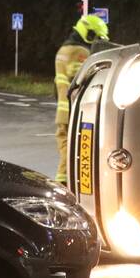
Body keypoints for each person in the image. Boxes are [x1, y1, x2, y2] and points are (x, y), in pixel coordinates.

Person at [55, 14, 109, 183]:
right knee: (72, 154)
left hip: (63, 111)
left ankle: (63, 185)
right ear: (90, 34)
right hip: (74, 111)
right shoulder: (80, 52)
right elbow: (82, 80)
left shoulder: (63, 50)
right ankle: (64, 188)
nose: (96, 43)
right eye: (97, 38)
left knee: (66, 149)